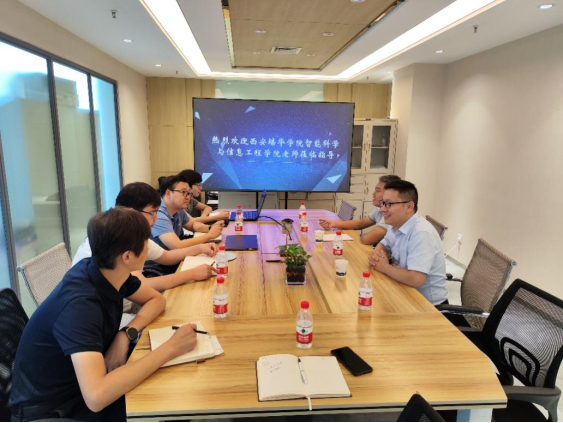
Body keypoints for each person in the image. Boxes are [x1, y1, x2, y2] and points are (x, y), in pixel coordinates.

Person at [11, 208, 199, 422]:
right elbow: (96, 397)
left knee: (171, 387)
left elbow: (157, 300)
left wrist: (125, 335)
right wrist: (171, 348)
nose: (149, 247)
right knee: (168, 401)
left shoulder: (107, 271)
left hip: (86, 382)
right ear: (127, 256)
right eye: (145, 242)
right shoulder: (80, 305)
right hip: (57, 409)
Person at [72, 182, 216, 293]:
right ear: (132, 212)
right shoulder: (116, 237)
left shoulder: (132, 232)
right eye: (152, 213)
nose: (155, 219)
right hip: (113, 309)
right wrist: (192, 274)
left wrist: (199, 248)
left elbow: (166, 256)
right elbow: (142, 285)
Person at [368, 180, 448, 306]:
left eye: (389, 204)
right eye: (383, 203)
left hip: (429, 307)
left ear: (409, 206)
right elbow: (383, 245)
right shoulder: (395, 224)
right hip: (403, 291)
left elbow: (416, 279)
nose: (383, 209)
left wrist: (384, 267)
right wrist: (376, 257)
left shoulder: (421, 233)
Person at [319, 175, 401, 245]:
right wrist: (333, 223)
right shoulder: (379, 210)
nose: (373, 194)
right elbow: (359, 224)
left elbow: (367, 239)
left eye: (377, 190)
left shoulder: (391, 214)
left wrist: (363, 236)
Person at [151, 175, 223, 251]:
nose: (188, 197)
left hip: (173, 254)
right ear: (168, 193)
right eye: (183, 192)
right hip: (163, 258)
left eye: (188, 193)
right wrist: (210, 235)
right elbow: (177, 245)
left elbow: (192, 225)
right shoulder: (158, 214)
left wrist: (211, 228)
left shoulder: (178, 208)